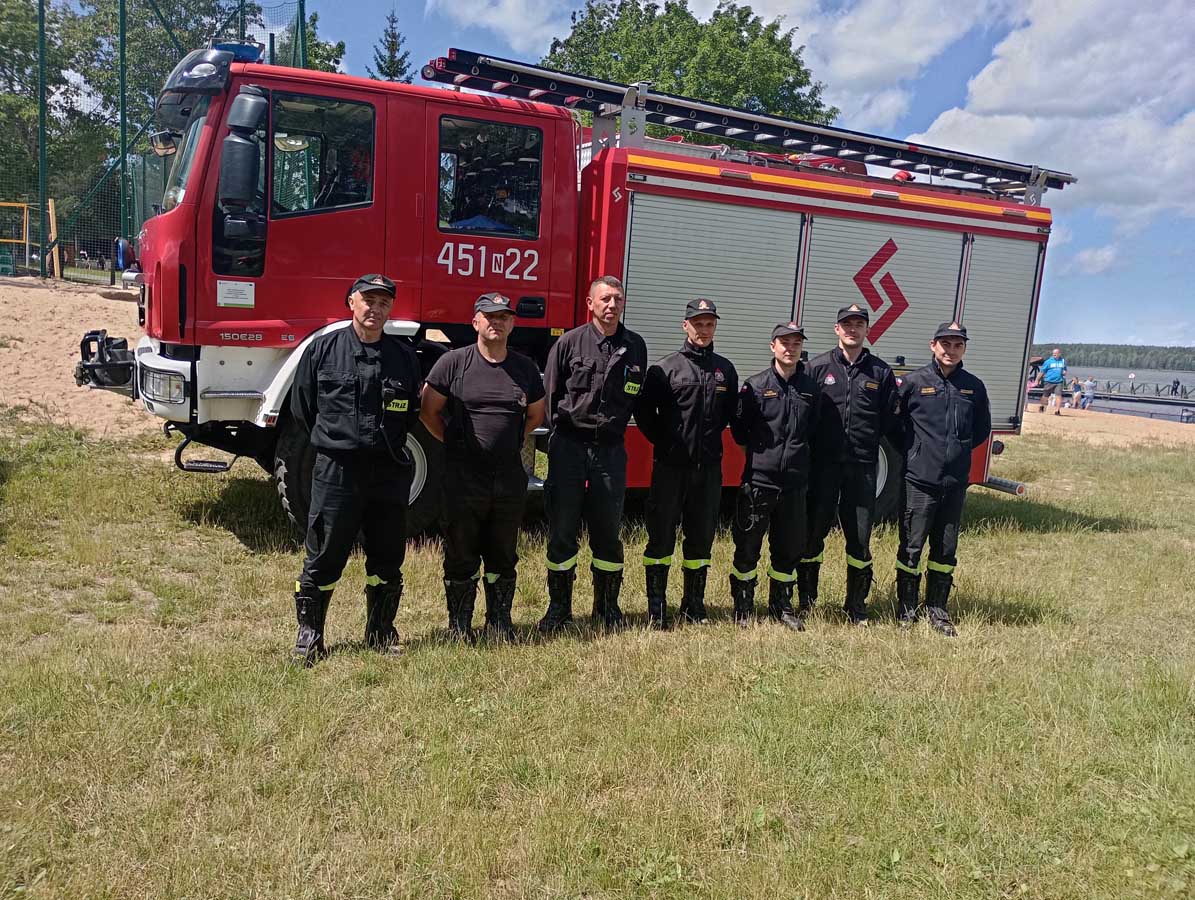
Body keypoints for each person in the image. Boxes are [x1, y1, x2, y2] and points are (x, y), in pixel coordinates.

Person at [289, 274, 423, 666]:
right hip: (338, 470)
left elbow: (410, 413)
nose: (375, 309)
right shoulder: (323, 350)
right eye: (368, 300)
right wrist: (338, 441)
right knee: (324, 553)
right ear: (351, 302)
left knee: (387, 555)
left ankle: (380, 631)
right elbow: (303, 407)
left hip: (388, 470)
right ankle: (311, 636)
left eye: (384, 303)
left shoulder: (403, 357)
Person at [420, 293, 546, 642]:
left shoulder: (524, 369)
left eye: (504, 317)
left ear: (513, 324)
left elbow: (535, 416)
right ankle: (460, 626)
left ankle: (499, 623)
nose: (497, 322)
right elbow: (428, 411)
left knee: (503, 554)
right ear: (475, 322)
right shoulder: (453, 363)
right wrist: (455, 443)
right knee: (460, 553)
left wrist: (508, 441)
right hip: (463, 477)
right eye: (490, 316)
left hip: (508, 478)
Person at [537, 276, 648, 632]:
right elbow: (550, 396)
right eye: (605, 299)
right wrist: (559, 441)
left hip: (610, 450)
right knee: (562, 530)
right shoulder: (569, 343)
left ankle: (607, 608)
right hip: (569, 447)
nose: (612, 305)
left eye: (617, 299)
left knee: (608, 532)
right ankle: (559, 610)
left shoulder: (635, 346)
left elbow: (636, 395)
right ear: (590, 303)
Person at [637, 298, 738, 628]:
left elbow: (727, 414)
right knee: (661, 537)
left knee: (701, 538)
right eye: (698, 324)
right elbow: (644, 413)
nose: (703, 330)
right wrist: (666, 443)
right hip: (670, 468)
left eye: (709, 324)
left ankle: (694, 605)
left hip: (708, 469)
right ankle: (657, 608)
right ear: (685, 326)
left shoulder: (725, 370)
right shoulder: (665, 368)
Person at [798, 303, 899, 626]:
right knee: (812, 535)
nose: (852, 329)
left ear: (867, 329)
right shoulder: (816, 368)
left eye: (858, 324)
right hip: (823, 467)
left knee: (859, 539)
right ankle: (807, 601)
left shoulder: (880, 373)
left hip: (862, 468)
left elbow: (889, 419)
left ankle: (856, 605)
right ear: (837, 329)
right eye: (847, 324)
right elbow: (804, 416)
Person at [894, 322, 991, 636]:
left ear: (964, 349)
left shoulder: (974, 387)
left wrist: (956, 453)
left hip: (954, 483)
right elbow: (895, 427)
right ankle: (907, 608)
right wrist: (917, 453)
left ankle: (937, 609)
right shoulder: (912, 383)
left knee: (946, 550)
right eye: (945, 344)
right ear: (933, 345)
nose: (951, 350)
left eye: (958, 345)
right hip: (919, 481)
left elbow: (981, 431)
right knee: (911, 547)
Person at [729, 322, 819, 630]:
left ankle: (781, 606)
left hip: (794, 484)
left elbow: (814, 430)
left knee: (789, 549)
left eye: (796, 343)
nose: (790, 348)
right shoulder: (755, 386)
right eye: (784, 342)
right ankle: (743, 606)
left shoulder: (811, 389)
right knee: (747, 547)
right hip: (759, 483)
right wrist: (762, 461)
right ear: (773, 346)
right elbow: (740, 432)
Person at [1037, 347, 1068, 415]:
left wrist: (1064, 372)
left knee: (1058, 395)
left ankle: (1057, 411)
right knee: (1045, 395)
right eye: (1053, 353)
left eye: (1056, 353)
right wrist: (1037, 380)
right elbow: (1042, 371)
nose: (1054, 354)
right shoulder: (1048, 361)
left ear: (1059, 354)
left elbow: (1065, 370)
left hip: (1059, 381)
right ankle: (1042, 406)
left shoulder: (1062, 361)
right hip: (1049, 381)